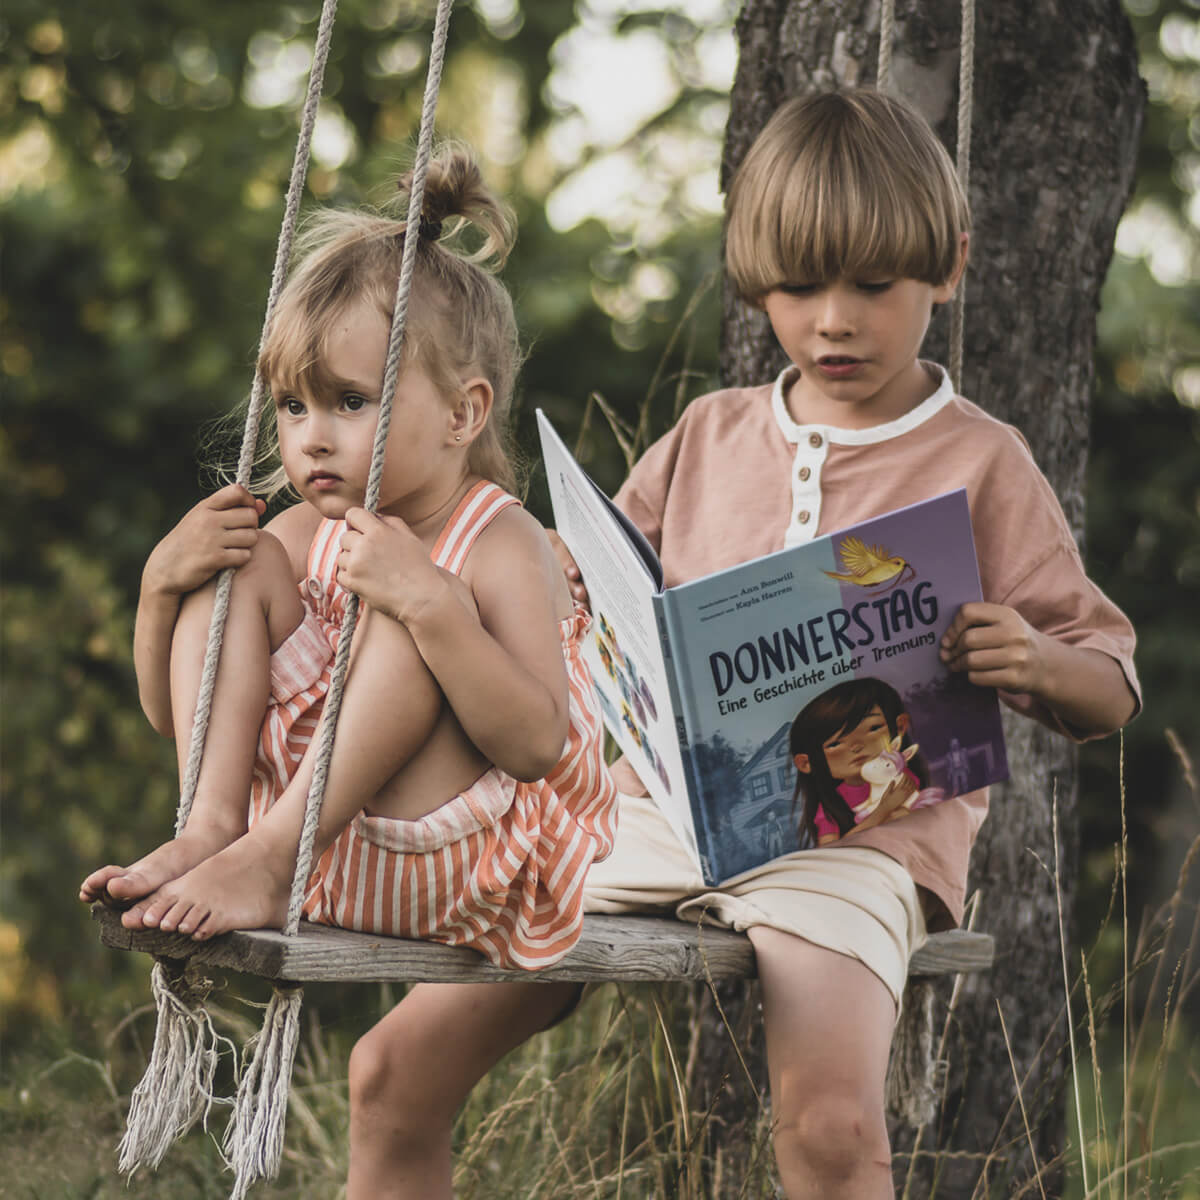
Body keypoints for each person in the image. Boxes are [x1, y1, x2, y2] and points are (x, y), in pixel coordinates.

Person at [550, 88, 1140, 1198]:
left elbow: (1106, 682)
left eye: (873, 286)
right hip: (655, 817)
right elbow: (589, 589)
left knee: (828, 1134)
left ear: (948, 268)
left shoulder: (983, 461)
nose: (833, 320)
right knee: (400, 1058)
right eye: (798, 286)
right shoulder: (710, 436)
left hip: (856, 849)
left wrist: (1033, 659)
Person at [80, 145, 617, 974]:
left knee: (409, 604)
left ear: (462, 413)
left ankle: (262, 858)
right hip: (315, 857)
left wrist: (435, 608)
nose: (311, 436)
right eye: (294, 405)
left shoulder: (501, 540)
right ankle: (210, 831)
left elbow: (538, 744)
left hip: (447, 866)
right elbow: (175, 716)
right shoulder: (298, 537)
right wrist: (161, 589)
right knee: (237, 563)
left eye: (350, 402)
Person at [789, 676, 934, 847]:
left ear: (900, 726)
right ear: (806, 763)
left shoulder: (899, 777)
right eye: (834, 744)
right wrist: (884, 809)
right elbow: (830, 852)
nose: (856, 746)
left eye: (873, 728)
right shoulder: (829, 808)